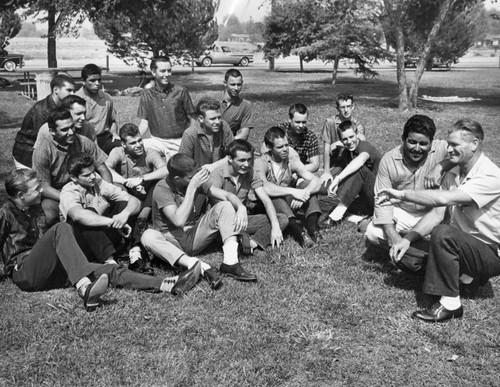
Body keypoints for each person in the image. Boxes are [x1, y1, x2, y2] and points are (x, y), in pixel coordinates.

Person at [0, 169, 201, 312]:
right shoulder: (5, 213)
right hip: (25, 271)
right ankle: (84, 287)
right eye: (36, 189)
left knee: (109, 269)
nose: (42, 191)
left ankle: (168, 284)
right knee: (62, 228)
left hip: (50, 268)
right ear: (20, 195)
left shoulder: (36, 208)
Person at [376, 119, 500, 323]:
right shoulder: (454, 172)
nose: (449, 150)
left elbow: (444, 199)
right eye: (448, 144)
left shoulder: (490, 175)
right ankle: (465, 281)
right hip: (462, 248)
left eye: (455, 145)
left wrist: (402, 195)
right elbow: (436, 213)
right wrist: (407, 240)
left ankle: (451, 304)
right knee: (405, 255)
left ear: (475, 144)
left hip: (489, 252)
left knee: (443, 233)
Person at [141, 153, 258, 284]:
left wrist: (241, 207)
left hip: (192, 236)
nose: (196, 179)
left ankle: (230, 263)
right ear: (177, 179)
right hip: (170, 241)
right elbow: (178, 221)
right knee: (148, 235)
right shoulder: (162, 189)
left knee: (225, 205)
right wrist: (192, 188)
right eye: (191, 178)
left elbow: (226, 195)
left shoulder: (194, 180)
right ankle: (199, 266)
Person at [363, 114, 451, 273]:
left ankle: (414, 250)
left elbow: (464, 154)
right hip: (404, 211)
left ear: (432, 143)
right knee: (372, 232)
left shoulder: (442, 149)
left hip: (435, 214)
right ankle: (418, 248)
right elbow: (382, 202)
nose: (417, 148)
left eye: (423, 143)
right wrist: (392, 236)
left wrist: (441, 165)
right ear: (403, 139)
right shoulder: (389, 160)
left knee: (455, 230)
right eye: (412, 142)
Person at [59, 153, 153, 275]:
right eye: (87, 175)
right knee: (88, 213)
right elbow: (78, 215)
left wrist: (124, 214)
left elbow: (134, 201)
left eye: (93, 171)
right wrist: (112, 221)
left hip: (102, 237)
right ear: (73, 178)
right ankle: (110, 264)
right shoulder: (69, 191)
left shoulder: (97, 182)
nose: (93, 176)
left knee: (124, 205)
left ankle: (135, 255)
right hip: (81, 244)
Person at [31, 108, 112, 226]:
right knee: (48, 213)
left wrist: (105, 192)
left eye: (72, 126)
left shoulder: (84, 142)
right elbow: (43, 186)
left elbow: (103, 169)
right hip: (58, 193)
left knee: (121, 192)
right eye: (64, 129)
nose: (71, 132)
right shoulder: (42, 150)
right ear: (52, 131)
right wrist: (72, 198)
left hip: (88, 185)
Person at [208, 139, 288, 254]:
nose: (246, 164)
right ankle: (238, 240)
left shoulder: (250, 172)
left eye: (249, 160)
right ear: (230, 159)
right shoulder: (217, 174)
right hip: (221, 223)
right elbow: (217, 209)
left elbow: (266, 200)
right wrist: (242, 233)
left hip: (242, 218)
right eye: (241, 160)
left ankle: (252, 242)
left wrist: (275, 227)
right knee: (221, 235)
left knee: (282, 219)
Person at [255, 126, 322, 248]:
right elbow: (264, 187)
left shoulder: (290, 159)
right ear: (269, 147)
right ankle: (300, 234)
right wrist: (294, 192)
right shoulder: (261, 162)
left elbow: (316, 180)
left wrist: (304, 193)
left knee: (307, 185)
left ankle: (313, 230)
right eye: (280, 147)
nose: (285, 149)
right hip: (264, 206)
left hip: (287, 202)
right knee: (274, 195)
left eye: (286, 145)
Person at [106, 123, 168, 233]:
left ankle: (143, 215)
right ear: (123, 144)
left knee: (160, 182)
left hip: (146, 192)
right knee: (117, 186)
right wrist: (125, 181)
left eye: (140, 140)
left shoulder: (149, 153)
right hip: (127, 191)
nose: (138, 145)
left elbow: (165, 170)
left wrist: (142, 179)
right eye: (133, 143)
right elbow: (106, 169)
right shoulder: (118, 152)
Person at [319, 120, 381, 225]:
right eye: (345, 139)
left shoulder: (365, 146)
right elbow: (343, 174)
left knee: (360, 170)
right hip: (366, 199)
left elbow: (360, 161)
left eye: (351, 137)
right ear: (340, 140)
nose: (349, 141)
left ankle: (334, 218)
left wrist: (338, 179)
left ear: (357, 134)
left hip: (381, 198)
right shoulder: (347, 153)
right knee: (323, 202)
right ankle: (356, 219)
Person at [137, 56, 197, 158]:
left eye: (169, 71)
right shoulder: (147, 94)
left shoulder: (181, 91)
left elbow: (193, 120)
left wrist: (190, 141)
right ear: (153, 72)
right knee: (134, 148)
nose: (167, 74)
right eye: (162, 71)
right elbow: (144, 124)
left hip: (179, 141)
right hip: (156, 141)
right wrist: (133, 140)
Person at [12, 74, 76, 168]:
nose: (73, 94)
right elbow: (43, 142)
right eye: (69, 90)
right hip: (27, 155)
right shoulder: (42, 110)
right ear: (56, 90)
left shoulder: (63, 106)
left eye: (74, 91)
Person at [321, 93, 366, 187]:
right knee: (325, 185)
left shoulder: (357, 124)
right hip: (335, 163)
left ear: (353, 106)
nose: (346, 110)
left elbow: (362, 140)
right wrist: (326, 171)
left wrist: (338, 143)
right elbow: (326, 147)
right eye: (342, 107)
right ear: (337, 108)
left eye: (348, 106)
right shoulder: (330, 122)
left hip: (350, 162)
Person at [178, 97, 234, 171]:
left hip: (221, 170)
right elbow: (183, 164)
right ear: (201, 119)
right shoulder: (190, 134)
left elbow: (235, 153)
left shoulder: (223, 126)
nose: (217, 122)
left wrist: (214, 166)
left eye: (219, 117)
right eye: (213, 119)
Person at [76, 63, 121, 154]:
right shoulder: (75, 99)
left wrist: (114, 133)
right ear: (83, 81)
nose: (97, 83)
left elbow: (112, 120)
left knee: (121, 148)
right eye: (92, 80)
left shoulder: (107, 98)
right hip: (83, 139)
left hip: (104, 138)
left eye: (99, 80)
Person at [262, 103, 320, 173]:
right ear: (290, 119)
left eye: (304, 122)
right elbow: (264, 150)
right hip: (276, 169)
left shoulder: (310, 137)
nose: (301, 125)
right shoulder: (279, 130)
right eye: (297, 122)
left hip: (298, 172)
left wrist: (297, 169)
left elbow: (315, 165)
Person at [219, 68, 253, 140]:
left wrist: (228, 144)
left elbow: (244, 134)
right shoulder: (211, 98)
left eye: (239, 84)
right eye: (233, 84)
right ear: (225, 83)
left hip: (229, 143)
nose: (236, 88)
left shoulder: (245, 105)